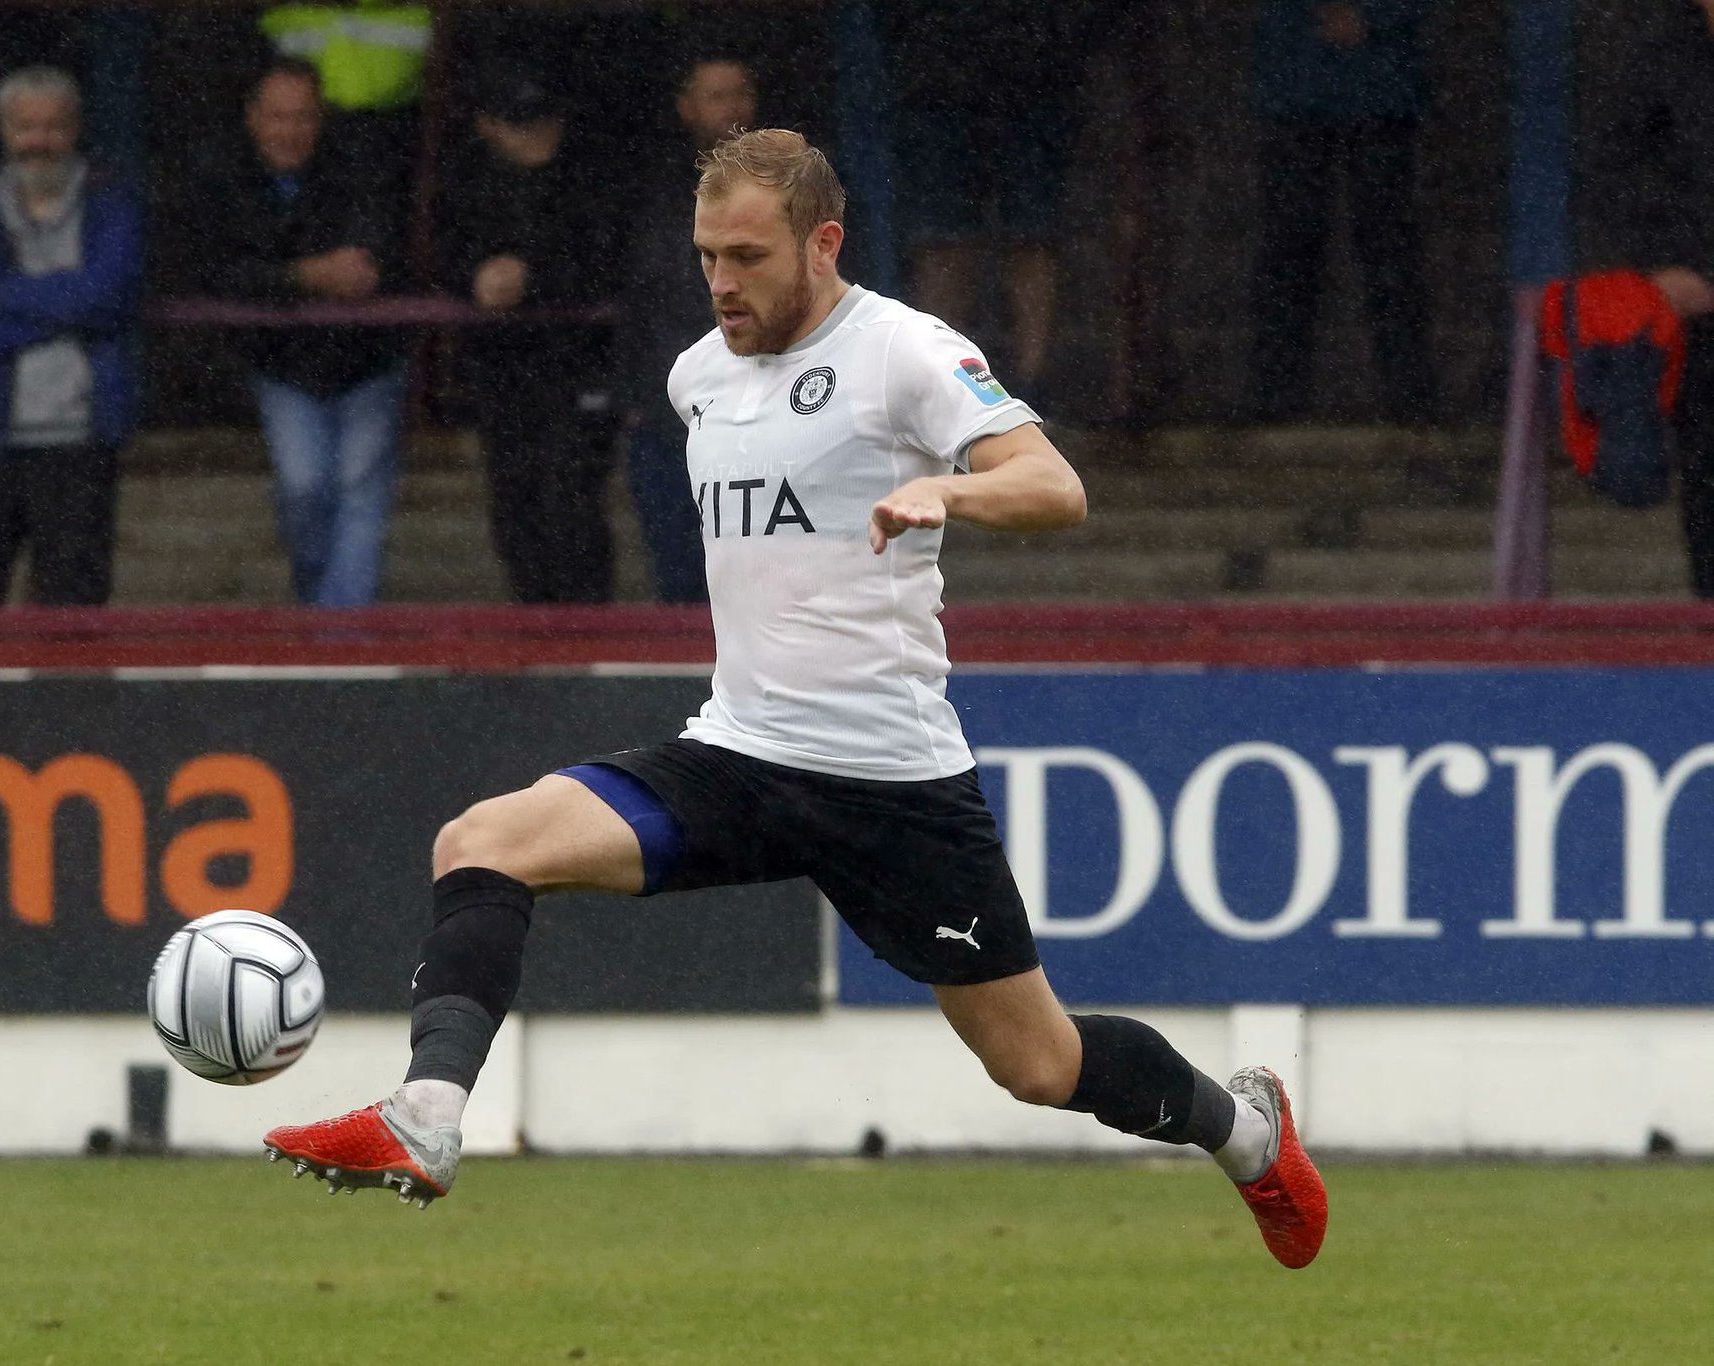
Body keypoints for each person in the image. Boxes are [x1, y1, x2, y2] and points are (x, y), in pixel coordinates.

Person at [263, 129, 1329, 1271]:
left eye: (747, 256)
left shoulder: (902, 352)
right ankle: (427, 1114)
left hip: (891, 786)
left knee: (1037, 1064)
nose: (722, 282)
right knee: (484, 839)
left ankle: (1244, 1131)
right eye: (706, 256)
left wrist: (944, 491)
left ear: (821, 243)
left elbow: (1051, 485)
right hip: (740, 756)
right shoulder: (696, 377)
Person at [190, 58, 408, 606]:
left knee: (360, 490)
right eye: (278, 118)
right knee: (304, 489)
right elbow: (211, 267)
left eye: (305, 118)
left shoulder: (359, 165)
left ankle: (342, 636)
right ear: (253, 118)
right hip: (284, 363)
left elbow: (375, 251)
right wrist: (304, 275)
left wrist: (341, 272)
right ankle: (317, 613)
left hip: (369, 360)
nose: (291, 132)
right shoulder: (221, 172)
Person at [0, 66, 143, 607]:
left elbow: (108, 297)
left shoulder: (113, 206)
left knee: (74, 620)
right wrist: (63, 310)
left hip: (80, 440)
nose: (39, 142)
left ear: (75, 130)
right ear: (4, 131)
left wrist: (0, 293)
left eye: (53, 127)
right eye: (26, 128)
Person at [441, 70, 618, 604]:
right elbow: (435, 258)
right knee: (515, 498)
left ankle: (586, 626)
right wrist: (474, 279)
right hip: (505, 368)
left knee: (571, 495)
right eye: (519, 123)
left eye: (543, 121)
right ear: (488, 126)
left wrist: (532, 281)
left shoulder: (587, 180)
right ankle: (537, 622)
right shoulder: (467, 186)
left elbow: (606, 260)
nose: (536, 134)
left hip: (578, 364)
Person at [881, 0, 1113, 408]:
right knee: (944, 243)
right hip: (936, 76)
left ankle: (1034, 393)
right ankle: (942, 389)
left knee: (1033, 239)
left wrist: (1062, 42)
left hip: (1037, 74)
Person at [1572, 0, 1714, 591]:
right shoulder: (1663, 59)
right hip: (1698, 305)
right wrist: (1668, 265)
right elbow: (1617, 169)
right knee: (1707, 467)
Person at [1242, 0, 1437, 424]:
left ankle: (1409, 394)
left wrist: (1375, 17)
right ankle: (1276, 396)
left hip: (1375, 84)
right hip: (1300, 79)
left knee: (1387, 247)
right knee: (1290, 246)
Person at [614, 54, 758, 605]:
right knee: (678, 578)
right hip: (665, 414)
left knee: (757, 581)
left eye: (740, 92)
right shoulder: (649, 192)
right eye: (717, 96)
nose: (733, 108)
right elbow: (634, 299)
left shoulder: (794, 193)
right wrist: (634, 395)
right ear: (686, 107)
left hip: (761, 410)